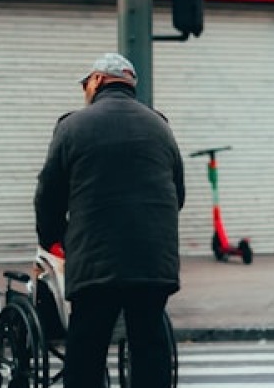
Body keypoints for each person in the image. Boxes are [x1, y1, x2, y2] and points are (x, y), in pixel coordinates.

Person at [35, 53, 185, 388]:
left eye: (85, 83)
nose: (84, 90)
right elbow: (179, 194)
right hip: (153, 260)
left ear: (99, 80)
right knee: (149, 343)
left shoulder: (71, 125)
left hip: (95, 259)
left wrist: (52, 240)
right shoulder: (160, 125)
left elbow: (49, 195)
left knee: (87, 346)